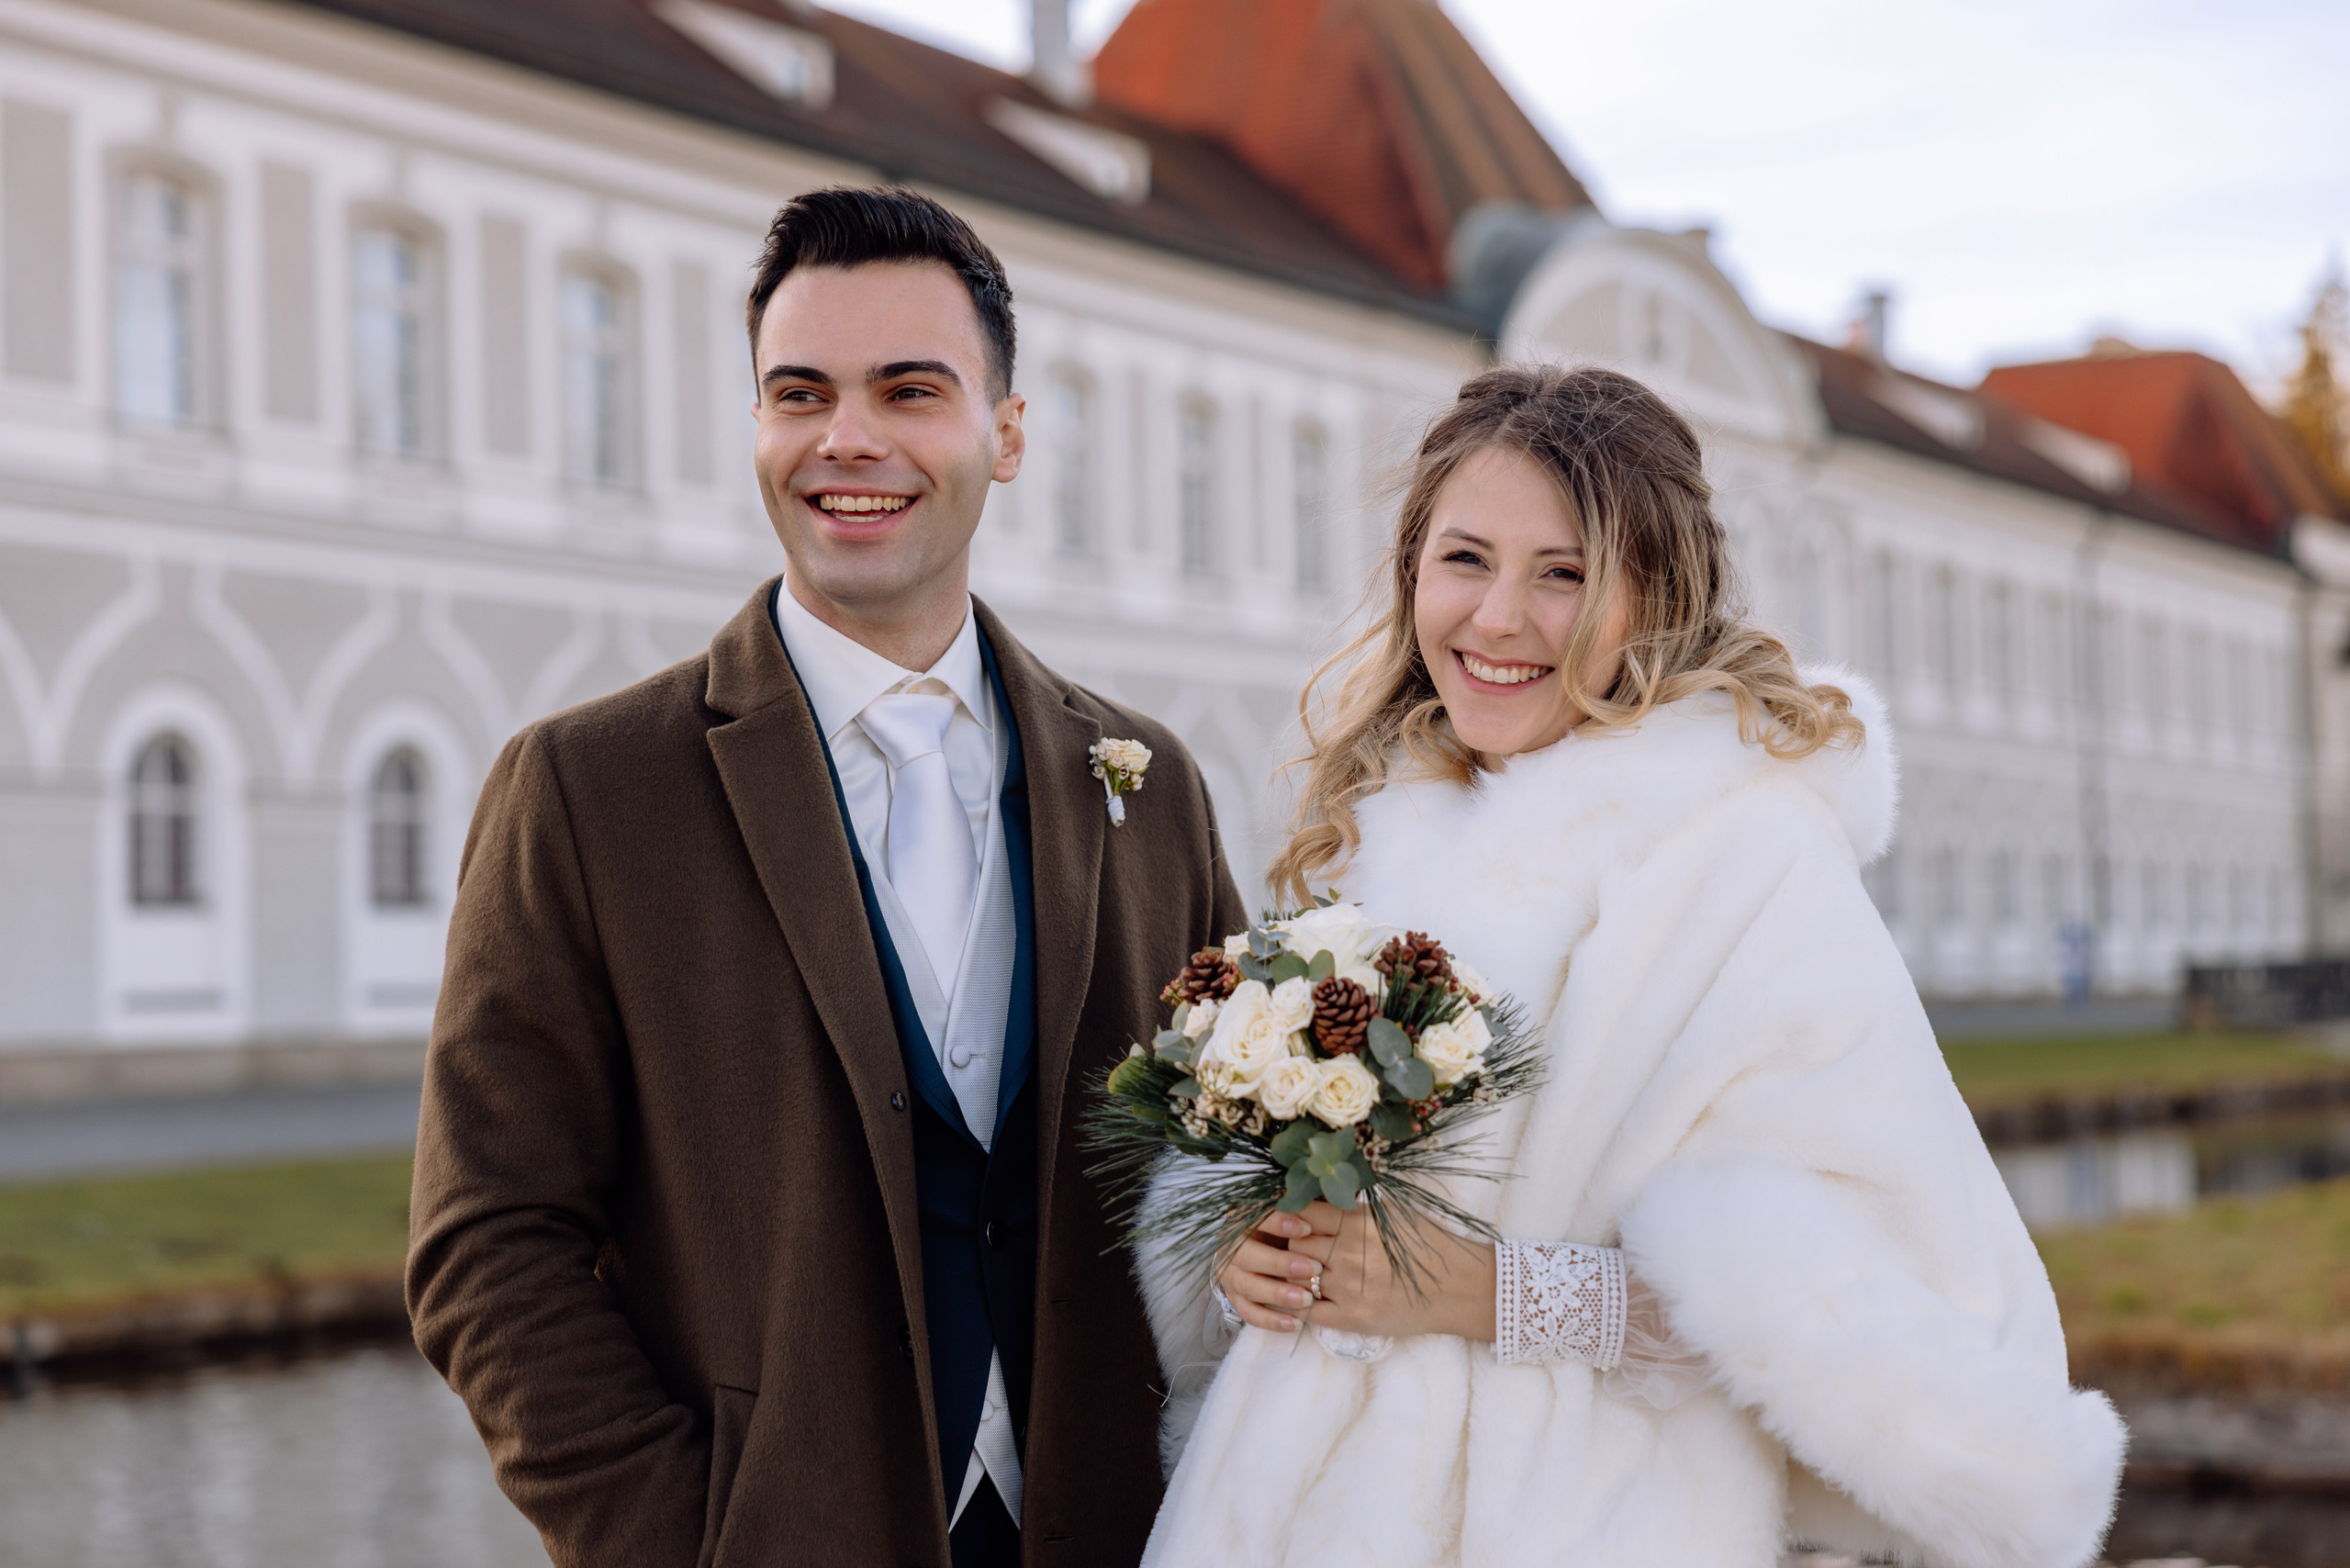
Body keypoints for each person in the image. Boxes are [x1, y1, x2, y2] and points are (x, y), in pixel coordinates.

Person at [1137, 364, 2126, 1567]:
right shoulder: (1390, 833)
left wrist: (1486, 1294)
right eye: (1464, 560)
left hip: (1581, 1521)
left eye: (1564, 574)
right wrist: (1249, 1247)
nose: (1498, 620)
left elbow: (1852, 1316)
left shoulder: (1747, 861)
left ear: (1653, 597)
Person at [408, 185, 1247, 1568]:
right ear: (755, 426)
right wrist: (682, 1539)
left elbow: (1229, 1180)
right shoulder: (586, 790)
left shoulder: (1145, 784)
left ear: (1008, 433)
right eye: (799, 394)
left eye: (910, 390)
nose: (846, 439)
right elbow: (485, 1245)